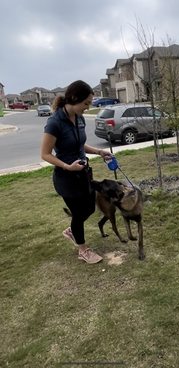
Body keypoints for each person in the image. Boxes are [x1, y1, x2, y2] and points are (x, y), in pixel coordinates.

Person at [41, 80, 112, 264]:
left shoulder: (79, 118)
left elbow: (80, 144)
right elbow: (45, 154)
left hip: (83, 173)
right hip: (66, 177)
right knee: (78, 213)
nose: (88, 108)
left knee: (89, 207)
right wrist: (67, 166)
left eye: (90, 103)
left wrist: (98, 152)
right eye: (86, 103)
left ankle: (72, 230)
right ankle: (83, 249)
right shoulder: (54, 123)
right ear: (73, 98)